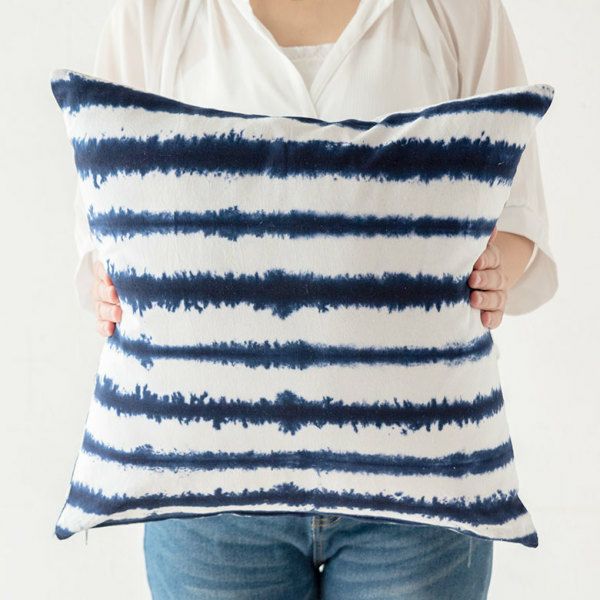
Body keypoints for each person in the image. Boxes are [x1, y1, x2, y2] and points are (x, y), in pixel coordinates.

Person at [73, 1, 558, 598]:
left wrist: (494, 270)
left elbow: (519, 215)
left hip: (421, 486)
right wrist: (110, 286)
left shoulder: (460, 10)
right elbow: (103, 225)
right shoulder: (154, 13)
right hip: (208, 494)